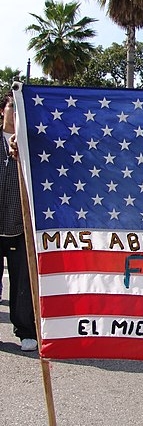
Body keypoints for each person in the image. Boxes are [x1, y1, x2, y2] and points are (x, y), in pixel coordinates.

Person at [0, 92, 37, 351]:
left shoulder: (30, 145)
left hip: (19, 226)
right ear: (3, 110)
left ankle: (25, 330)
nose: (15, 111)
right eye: (12, 105)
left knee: (22, 281)